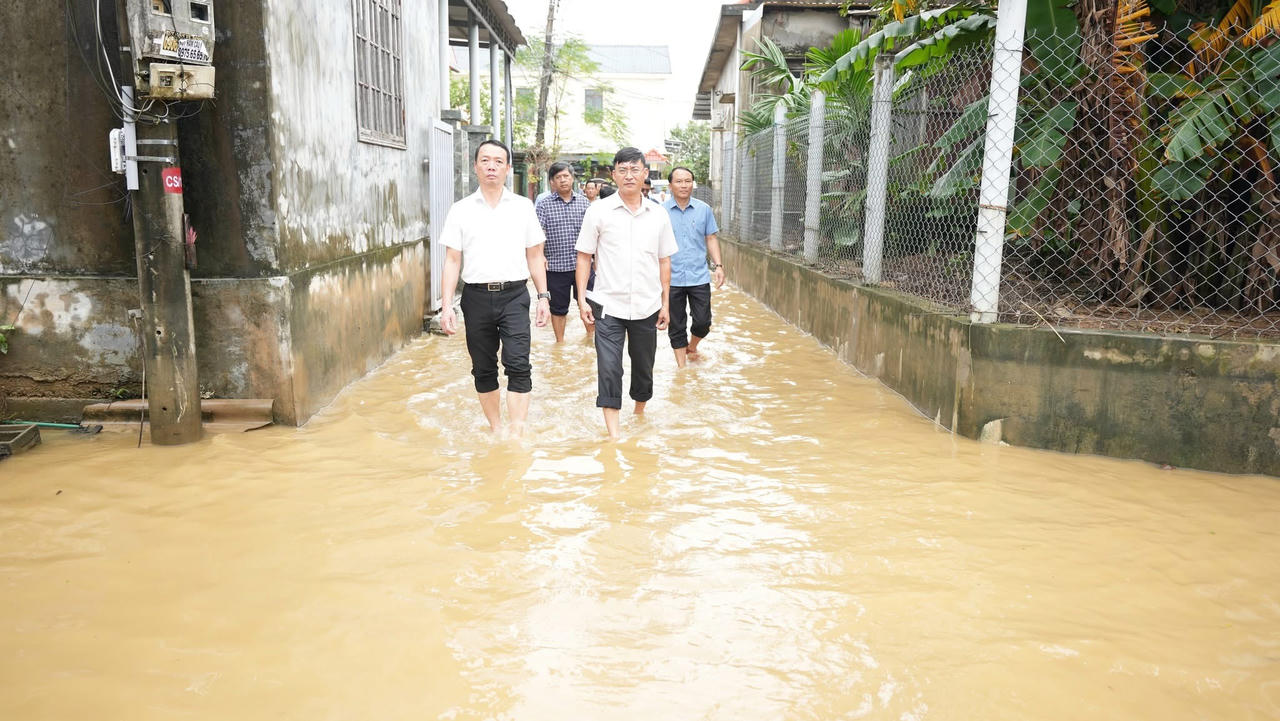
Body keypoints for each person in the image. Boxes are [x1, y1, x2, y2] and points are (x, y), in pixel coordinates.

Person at [438, 139, 551, 436]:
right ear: (475, 166)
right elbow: (452, 260)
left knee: (518, 363)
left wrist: (543, 297)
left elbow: (535, 254)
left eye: (498, 161)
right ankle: (496, 428)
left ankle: (516, 432)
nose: (491, 166)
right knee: (483, 368)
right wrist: (447, 305)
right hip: (475, 297)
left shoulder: (523, 207)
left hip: (515, 295)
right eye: (485, 160)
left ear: (508, 168)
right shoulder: (461, 210)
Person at [575, 147, 678, 440]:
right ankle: (615, 437)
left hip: (647, 304)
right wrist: (582, 299)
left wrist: (665, 304)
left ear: (645, 174)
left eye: (635, 170)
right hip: (608, 305)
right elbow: (584, 256)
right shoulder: (598, 211)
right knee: (609, 368)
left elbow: (664, 261)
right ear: (614, 174)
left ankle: (639, 412)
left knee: (644, 367)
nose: (629, 175)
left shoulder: (658, 215)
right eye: (623, 170)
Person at [662, 167, 725, 368]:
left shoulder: (704, 209)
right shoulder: (660, 211)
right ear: (670, 185)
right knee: (676, 324)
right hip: (670, 278)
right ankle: (682, 369)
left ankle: (693, 346)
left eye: (687, 181)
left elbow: (711, 238)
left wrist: (719, 266)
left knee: (703, 322)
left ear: (693, 184)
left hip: (698, 275)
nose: (683, 185)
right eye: (679, 181)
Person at [534, 161, 593, 342]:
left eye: (566, 176)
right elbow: (538, 233)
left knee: (589, 303)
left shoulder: (585, 204)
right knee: (558, 309)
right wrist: (540, 255)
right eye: (558, 177)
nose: (563, 180)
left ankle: (591, 339)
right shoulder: (544, 205)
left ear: (572, 178)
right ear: (552, 181)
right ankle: (560, 342)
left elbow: (594, 235)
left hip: (583, 266)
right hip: (555, 266)